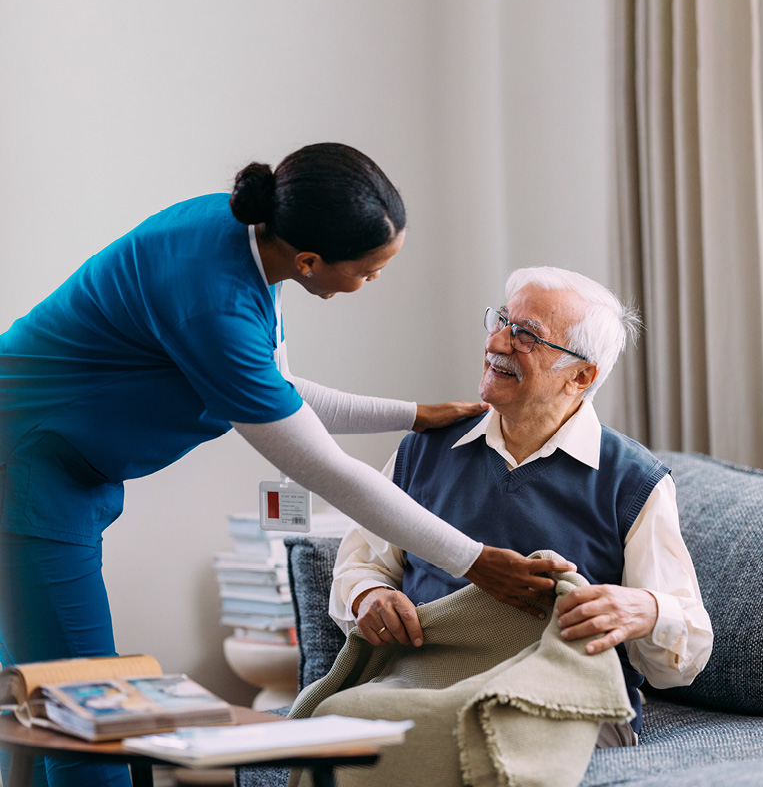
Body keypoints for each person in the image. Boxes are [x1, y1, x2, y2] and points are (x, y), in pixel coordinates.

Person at [0, 143, 567, 787]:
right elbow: (327, 470)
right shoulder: (213, 303)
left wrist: (413, 414)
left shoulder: (243, 237)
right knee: (85, 720)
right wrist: (475, 561)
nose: (374, 281)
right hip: (24, 470)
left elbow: (281, 390)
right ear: (310, 261)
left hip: (50, 464)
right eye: (369, 270)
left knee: (34, 704)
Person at [330, 266, 714, 747]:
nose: (497, 343)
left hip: (562, 702)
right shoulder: (423, 450)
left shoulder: (634, 480)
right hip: (426, 686)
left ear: (581, 376)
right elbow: (360, 565)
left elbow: (686, 655)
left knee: (460, 739)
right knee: (333, 720)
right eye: (502, 321)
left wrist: (648, 611)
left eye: (526, 335)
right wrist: (369, 596)